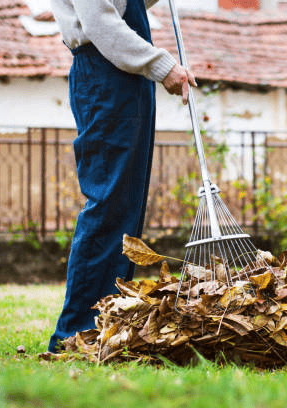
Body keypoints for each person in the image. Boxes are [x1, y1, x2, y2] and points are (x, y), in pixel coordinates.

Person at [48, 0, 196, 352]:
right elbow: (101, 23)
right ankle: (76, 332)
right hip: (105, 72)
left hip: (124, 77)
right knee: (109, 203)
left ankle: (107, 323)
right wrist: (162, 65)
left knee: (126, 208)